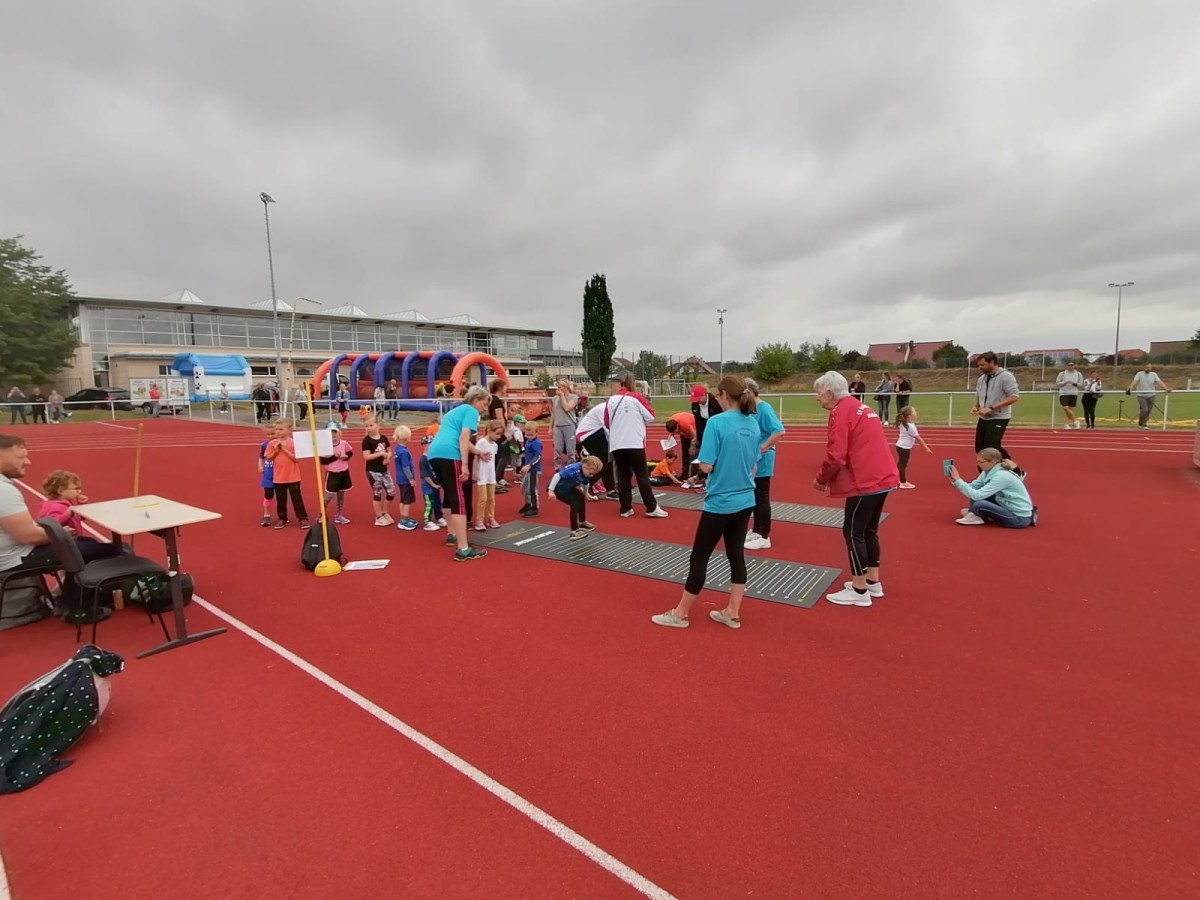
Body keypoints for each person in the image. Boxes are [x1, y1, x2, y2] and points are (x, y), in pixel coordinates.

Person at [651, 375, 760, 630]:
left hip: (721, 501)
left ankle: (680, 614)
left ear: (722, 395)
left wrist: (702, 468)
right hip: (746, 499)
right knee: (736, 556)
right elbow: (754, 462)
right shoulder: (753, 423)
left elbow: (708, 464)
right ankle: (732, 612)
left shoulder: (716, 423)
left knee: (699, 557)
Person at [812, 371, 900, 608]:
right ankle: (872, 580)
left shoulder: (840, 412)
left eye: (818, 394)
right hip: (883, 476)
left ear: (830, 394)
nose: (817, 398)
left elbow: (836, 455)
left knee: (853, 531)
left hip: (866, 480)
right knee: (869, 529)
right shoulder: (860, 407)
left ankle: (860, 589)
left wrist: (821, 479)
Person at [426, 384, 492, 561]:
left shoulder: (454, 412)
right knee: (458, 497)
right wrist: (464, 465)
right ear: (476, 400)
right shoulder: (471, 412)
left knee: (449, 494)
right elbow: (463, 438)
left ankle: (452, 533)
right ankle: (463, 548)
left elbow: (456, 436)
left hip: (434, 453)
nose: (485, 409)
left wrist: (478, 452)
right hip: (450, 454)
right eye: (485, 404)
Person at [606, 372, 667, 519]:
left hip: (617, 443)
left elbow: (607, 422)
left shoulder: (611, 400)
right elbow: (651, 416)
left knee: (623, 475)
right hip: (633, 441)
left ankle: (625, 508)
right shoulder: (636, 398)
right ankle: (651, 507)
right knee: (641, 474)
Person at [37, 471, 124, 563]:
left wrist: (81, 505)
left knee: (92, 541)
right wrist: (67, 514)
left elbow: (80, 517)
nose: (80, 491)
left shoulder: (67, 503)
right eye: (76, 488)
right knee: (107, 549)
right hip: (66, 545)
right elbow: (52, 524)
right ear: (61, 491)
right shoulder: (54, 506)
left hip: (73, 540)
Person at [743, 377, 785, 552]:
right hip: (753, 459)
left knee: (761, 496)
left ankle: (764, 535)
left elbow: (779, 431)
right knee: (755, 496)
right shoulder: (752, 409)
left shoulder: (764, 408)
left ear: (750, 392)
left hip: (763, 460)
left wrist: (763, 448)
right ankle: (757, 529)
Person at [949, 449, 1036, 528]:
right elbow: (973, 487)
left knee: (979, 504)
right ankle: (975, 513)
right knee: (978, 494)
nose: (978, 464)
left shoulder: (1001, 476)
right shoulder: (988, 471)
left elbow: (977, 496)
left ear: (993, 462)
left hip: (1018, 518)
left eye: (981, 462)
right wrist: (956, 481)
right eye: (977, 461)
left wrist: (958, 481)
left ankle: (976, 514)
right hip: (1007, 505)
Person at [972, 352, 1020, 470]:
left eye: (982, 365)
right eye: (979, 365)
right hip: (984, 418)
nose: (980, 368)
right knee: (980, 448)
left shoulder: (1006, 376)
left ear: (992, 362)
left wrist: (992, 407)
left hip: (999, 417)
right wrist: (976, 406)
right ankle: (986, 475)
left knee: (992, 447)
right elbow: (979, 394)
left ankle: (1015, 470)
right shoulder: (981, 379)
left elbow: (1014, 397)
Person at [264, 419, 309, 529]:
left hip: (293, 476)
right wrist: (276, 451)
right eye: (277, 429)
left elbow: (296, 459)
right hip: (279, 477)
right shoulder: (272, 443)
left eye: (281, 429)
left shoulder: (293, 442)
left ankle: (302, 518)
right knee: (281, 499)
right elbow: (268, 459)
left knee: (296, 498)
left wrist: (284, 449)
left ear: (289, 430)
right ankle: (282, 518)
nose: (278, 432)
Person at [548, 456, 604, 541]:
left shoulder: (585, 472)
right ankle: (574, 531)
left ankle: (582, 522)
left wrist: (586, 494)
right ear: (585, 466)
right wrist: (551, 491)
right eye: (590, 473)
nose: (591, 476)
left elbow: (586, 484)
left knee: (580, 497)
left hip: (568, 487)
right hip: (558, 488)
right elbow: (557, 475)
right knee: (574, 503)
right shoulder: (574, 469)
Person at [575, 401, 616, 499]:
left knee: (606, 461)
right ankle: (585, 483)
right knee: (603, 461)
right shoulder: (602, 410)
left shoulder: (610, 409)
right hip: (588, 435)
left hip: (596, 433)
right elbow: (608, 429)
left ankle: (610, 489)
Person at [361, 418, 394, 527]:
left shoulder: (384, 438)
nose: (369, 428)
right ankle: (379, 517)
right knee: (378, 493)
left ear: (378, 425)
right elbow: (366, 456)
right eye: (367, 426)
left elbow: (389, 451)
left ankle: (385, 512)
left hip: (384, 470)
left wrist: (387, 457)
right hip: (373, 471)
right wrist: (380, 454)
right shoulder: (366, 441)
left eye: (371, 425)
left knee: (391, 491)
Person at [319, 422, 354, 525]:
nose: (333, 435)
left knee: (341, 494)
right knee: (328, 496)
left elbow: (350, 453)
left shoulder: (344, 443)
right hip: (332, 474)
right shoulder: (325, 447)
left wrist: (345, 457)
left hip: (344, 472)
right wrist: (335, 456)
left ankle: (339, 515)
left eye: (335, 432)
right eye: (330, 432)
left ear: (339, 433)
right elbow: (323, 461)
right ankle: (321, 514)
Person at [472, 419, 503, 530]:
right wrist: (475, 472)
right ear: (489, 431)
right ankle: (479, 520)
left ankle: (490, 518)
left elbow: (492, 460)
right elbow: (476, 456)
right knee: (482, 499)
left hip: (490, 475)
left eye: (500, 434)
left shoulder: (494, 445)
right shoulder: (481, 442)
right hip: (482, 474)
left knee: (491, 499)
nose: (499, 436)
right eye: (497, 433)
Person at [894, 405, 933, 489]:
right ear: (909, 415)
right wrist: (926, 448)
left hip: (900, 446)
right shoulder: (910, 427)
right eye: (914, 411)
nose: (916, 413)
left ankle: (896, 479)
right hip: (904, 448)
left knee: (900, 464)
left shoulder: (904, 423)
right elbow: (919, 439)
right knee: (903, 465)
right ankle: (903, 482)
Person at [390, 425, 418, 530]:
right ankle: (404, 520)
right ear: (407, 438)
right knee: (407, 500)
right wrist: (411, 479)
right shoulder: (404, 452)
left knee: (402, 499)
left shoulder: (397, 449)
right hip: (405, 480)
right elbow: (406, 467)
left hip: (400, 479)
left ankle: (403, 518)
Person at [1127, 363, 1171, 430]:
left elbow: (1159, 382)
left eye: (1150, 367)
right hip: (1141, 395)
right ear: (1144, 367)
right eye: (1147, 367)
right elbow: (1135, 381)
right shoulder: (1139, 374)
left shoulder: (1153, 374)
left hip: (1151, 395)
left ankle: (1144, 424)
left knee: (1148, 411)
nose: (1148, 369)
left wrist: (1166, 388)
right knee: (1144, 410)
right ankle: (1140, 423)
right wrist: (1130, 388)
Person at [487, 379, 511, 490]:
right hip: (499, 431)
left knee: (499, 455)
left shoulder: (492, 400)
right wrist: (505, 432)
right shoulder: (496, 401)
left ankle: (497, 478)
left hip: (496, 430)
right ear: (500, 388)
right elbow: (499, 417)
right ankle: (497, 478)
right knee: (503, 455)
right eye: (505, 387)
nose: (506, 389)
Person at [550, 380, 579, 469]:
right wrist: (550, 427)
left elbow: (567, 408)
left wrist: (562, 396)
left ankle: (571, 467)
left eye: (561, 387)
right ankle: (558, 468)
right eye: (558, 387)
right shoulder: (555, 398)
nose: (558, 389)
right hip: (558, 426)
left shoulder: (574, 397)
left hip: (569, 425)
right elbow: (553, 413)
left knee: (570, 449)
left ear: (566, 388)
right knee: (557, 449)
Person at [517, 421, 544, 518]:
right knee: (524, 488)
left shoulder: (536, 443)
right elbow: (528, 451)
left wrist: (529, 465)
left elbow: (538, 456)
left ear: (536, 432)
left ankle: (534, 508)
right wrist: (523, 454)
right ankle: (528, 504)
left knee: (532, 489)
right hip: (528, 469)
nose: (528, 436)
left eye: (531, 435)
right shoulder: (529, 441)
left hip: (534, 469)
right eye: (527, 434)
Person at [663, 411, 697, 479]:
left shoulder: (686, 425)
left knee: (693, 454)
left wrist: (692, 446)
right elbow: (671, 431)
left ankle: (693, 475)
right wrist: (671, 435)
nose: (676, 433)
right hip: (684, 434)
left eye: (676, 431)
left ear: (677, 426)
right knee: (685, 454)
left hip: (694, 432)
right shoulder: (670, 422)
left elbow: (694, 436)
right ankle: (684, 474)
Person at [418, 453, 445, 532]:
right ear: (424, 445)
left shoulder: (433, 457)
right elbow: (425, 475)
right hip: (428, 487)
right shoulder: (423, 459)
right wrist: (433, 485)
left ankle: (439, 517)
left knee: (437, 502)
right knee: (429, 504)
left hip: (436, 485)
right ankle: (427, 521)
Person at [1055, 360, 1084, 429]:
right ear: (1066, 366)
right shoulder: (1062, 374)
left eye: (1072, 365)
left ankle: (1067, 424)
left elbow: (1081, 384)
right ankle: (1075, 420)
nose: (1070, 366)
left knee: (1069, 409)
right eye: (1069, 365)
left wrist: (1074, 383)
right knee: (1065, 407)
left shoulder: (1078, 374)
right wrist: (1065, 382)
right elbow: (1057, 383)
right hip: (1064, 393)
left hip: (1073, 393)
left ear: (1074, 366)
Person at [256, 424, 276, 527]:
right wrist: (260, 465)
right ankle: (266, 514)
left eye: (272, 434)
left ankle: (283, 516)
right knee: (268, 495)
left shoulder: (280, 444)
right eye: (268, 434)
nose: (270, 436)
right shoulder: (264, 444)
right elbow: (261, 456)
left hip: (279, 474)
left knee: (282, 496)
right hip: (268, 474)